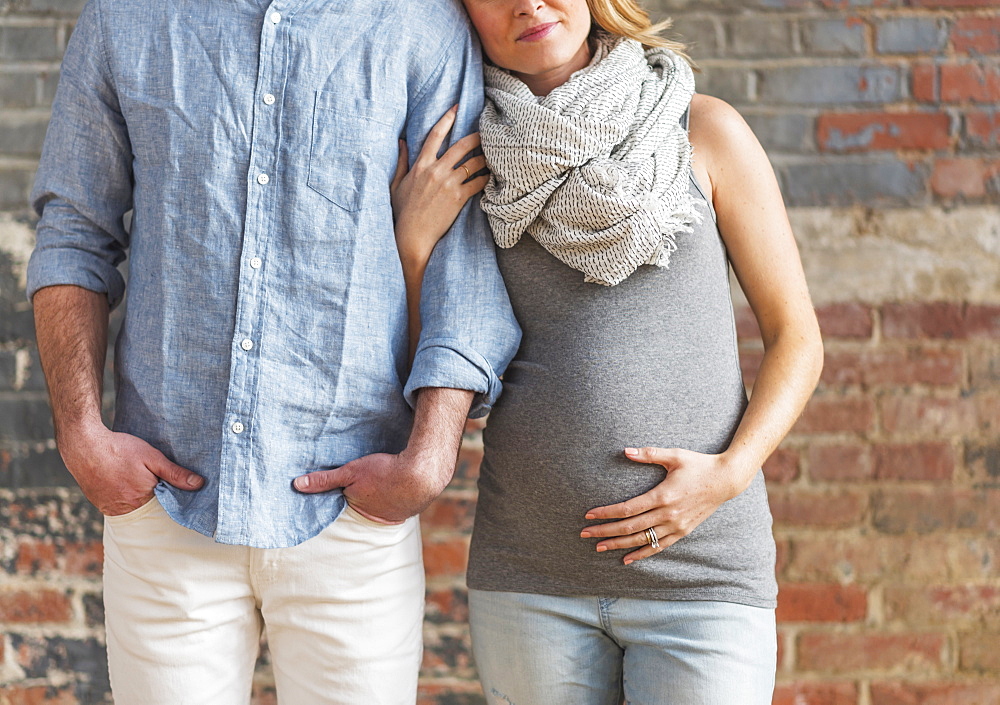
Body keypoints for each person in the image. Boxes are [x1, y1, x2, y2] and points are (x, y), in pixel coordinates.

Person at [27, 1, 519, 703]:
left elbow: (463, 249)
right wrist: (81, 431)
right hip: (167, 507)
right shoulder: (124, 16)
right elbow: (75, 228)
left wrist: (431, 454)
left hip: (353, 508)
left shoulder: (417, 21)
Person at [390, 0, 825, 702]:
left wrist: (729, 473)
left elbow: (797, 339)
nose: (527, 3)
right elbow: (434, 375)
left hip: (704, 574)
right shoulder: (465, 167)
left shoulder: (702, 130)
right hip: (529, 577)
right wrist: (413, 248)